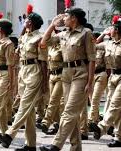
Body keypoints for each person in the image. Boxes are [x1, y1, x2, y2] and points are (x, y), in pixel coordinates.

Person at [39, 8, 95, 151]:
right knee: (72, 113)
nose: (63, 19)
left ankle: (56, 145)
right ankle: (76, 147)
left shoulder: (86, 33)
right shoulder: (63, 34)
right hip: (66, 74)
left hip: (80, 74)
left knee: (69, 111)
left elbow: (91, 59)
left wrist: (90, 82)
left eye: (66, 17)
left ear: (74, 18)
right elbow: (43, 43)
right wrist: (52, 25)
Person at [0, 5, 47, 150]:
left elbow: (43, 62)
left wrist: (45, 83)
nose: (25, 20)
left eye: (27, 19)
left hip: (35, 71)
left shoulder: (39, 37)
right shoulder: (24, 37)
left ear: (32, 22)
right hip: (23, 71)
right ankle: (31, 145)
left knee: (24, 106)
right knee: (28, 111)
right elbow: (17, 55)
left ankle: (9, 135)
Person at [89, 16, 121, 148]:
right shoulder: (108, 43)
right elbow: (94, 45)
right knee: (116, 107)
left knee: (115, 104)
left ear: (118, 30)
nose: (110, 29)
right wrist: (103, 33)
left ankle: (101, 127)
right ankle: (119, 137)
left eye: (112, 27)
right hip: (112, 76)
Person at [36, 28, 64, 135]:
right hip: (52, 75)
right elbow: (44, 41)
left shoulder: (64, 47)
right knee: (52, 102)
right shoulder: (51, 48)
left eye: (55, 34)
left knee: (54, 100)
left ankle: (46, 122)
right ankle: (58, 125)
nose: (53, 36)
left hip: (61, 75)